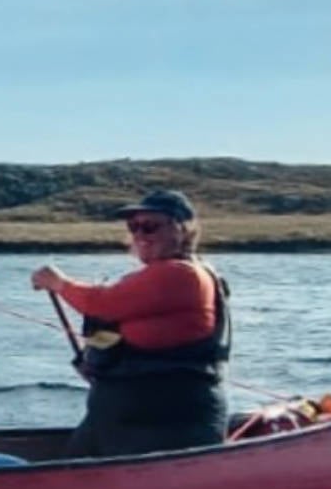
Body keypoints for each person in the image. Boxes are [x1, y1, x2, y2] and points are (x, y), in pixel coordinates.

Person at [30, 188, 230, 459]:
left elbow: (101, 303)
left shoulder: (181, 274)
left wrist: (59, 283)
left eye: (150, 227)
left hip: (169, 426)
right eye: (133, 227)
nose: (140, 235)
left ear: (182, 230)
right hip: (124, 424)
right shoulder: (156, 275)